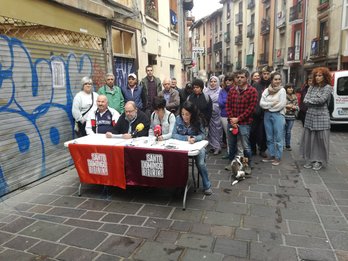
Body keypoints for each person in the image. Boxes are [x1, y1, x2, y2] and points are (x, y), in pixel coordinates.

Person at [172, 101, 212, 196]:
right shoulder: (178, 119)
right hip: (181, 146)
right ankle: (179, 184)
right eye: (182, 114)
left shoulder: (198, 120)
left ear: (192, 114)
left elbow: (203, 135)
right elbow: (174, 135)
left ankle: (207, 185)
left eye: (187, 114)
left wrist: (195, 138)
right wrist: (186, 138)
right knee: (175, 161)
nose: (184, 117)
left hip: (197, 146)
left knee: (201, 163)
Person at [225, 69, 258, 168]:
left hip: (245, 123)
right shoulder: (232, 90)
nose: (239, 79)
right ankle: (232, 163)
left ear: (247, 78)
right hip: (231, 122)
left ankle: (247, 164)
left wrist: (238, 119)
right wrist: (232, 119)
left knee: (245, 146)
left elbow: (251, 109)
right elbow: (228, 105)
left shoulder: (252, 91)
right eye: (237, 77)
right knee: (231, 144)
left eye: (242, 77)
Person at [301, 67, 332, 171]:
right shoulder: (311, 87)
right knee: (309, 138)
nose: (318, 78)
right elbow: (305, 100)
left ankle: (319, 160)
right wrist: (314, 100)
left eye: (320, 75)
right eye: (316, 76)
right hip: (310, 116)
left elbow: (322, 100)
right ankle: (310, 158)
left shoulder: (327, 87)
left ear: (325, 76)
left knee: (320, 140)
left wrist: (311, 100)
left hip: (322, 117)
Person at [260, 72, 287, 166]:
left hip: (278, 115)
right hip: (267, 115)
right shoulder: (267, 90)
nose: (277, 81)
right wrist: (272, 103)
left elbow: (281, 105)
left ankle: (278, 157)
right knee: (269, 137)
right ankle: (271, 155)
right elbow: (261, 103)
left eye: (279, 79)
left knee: (278, 138)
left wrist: (268, 105)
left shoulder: (282, 90)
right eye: (275, 79)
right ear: (271, 80)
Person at [250, 66, 272, 158]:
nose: (266, 75)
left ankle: (263, 149)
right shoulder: (256, 85)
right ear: (261, 75)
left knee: (264, 133)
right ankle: (253, 149)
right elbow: (252, 98)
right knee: (253, 131)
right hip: (256, 112)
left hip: (267, 112)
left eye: (267, 74)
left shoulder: (272, 84)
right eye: (264, 74)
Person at [204, 75, 222, 155]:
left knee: (217, 130)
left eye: (215, 81)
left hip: (217, 114)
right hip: (208, 113)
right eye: (211, 81)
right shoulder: (206, 91)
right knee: (210, 130)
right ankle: (212, 146)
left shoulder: (220, 91)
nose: (213, 83)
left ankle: (218, 147)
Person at [218, 73, 234, 159]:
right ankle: (229, 152)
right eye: (226, 80)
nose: (228, 81)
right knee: (228, 135)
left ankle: (235, 153)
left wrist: (226, 102)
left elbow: (234, 103)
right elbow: (220, 103)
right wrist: (228, 102)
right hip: (224, 115)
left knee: (235, 135)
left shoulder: (236, 90)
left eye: (230, 80)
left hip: (234, 116)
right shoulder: (222, 91)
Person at [284, 83, 299, 151]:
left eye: (292, 88)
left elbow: (297, 107)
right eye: (289, 88)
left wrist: (291, 107)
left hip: (291, 117)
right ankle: (282, 145)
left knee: (288, 131)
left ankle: (288, 145)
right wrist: (289, 106)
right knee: (283, 131)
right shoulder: (283, 96)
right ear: (286, 89)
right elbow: (283, 105)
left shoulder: (295, 96)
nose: (291, 89)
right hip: (284, 116)